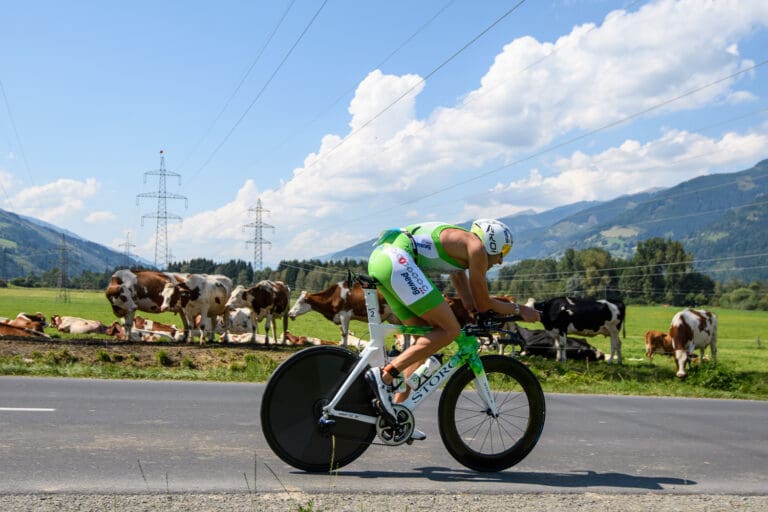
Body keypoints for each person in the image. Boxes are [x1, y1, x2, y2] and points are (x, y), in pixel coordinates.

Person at [365, 219, 540, 440]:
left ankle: (397, 414)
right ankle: (385, 375)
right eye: (503, 251)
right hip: (396, 260)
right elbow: (484, 302)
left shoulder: (462, 253)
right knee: (449, 331)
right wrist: (519, 309)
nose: (502, 260)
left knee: (425, 339)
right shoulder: (476, 248)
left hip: (384, 259)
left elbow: (471, 301)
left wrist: (474, 312)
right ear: (492, 243)